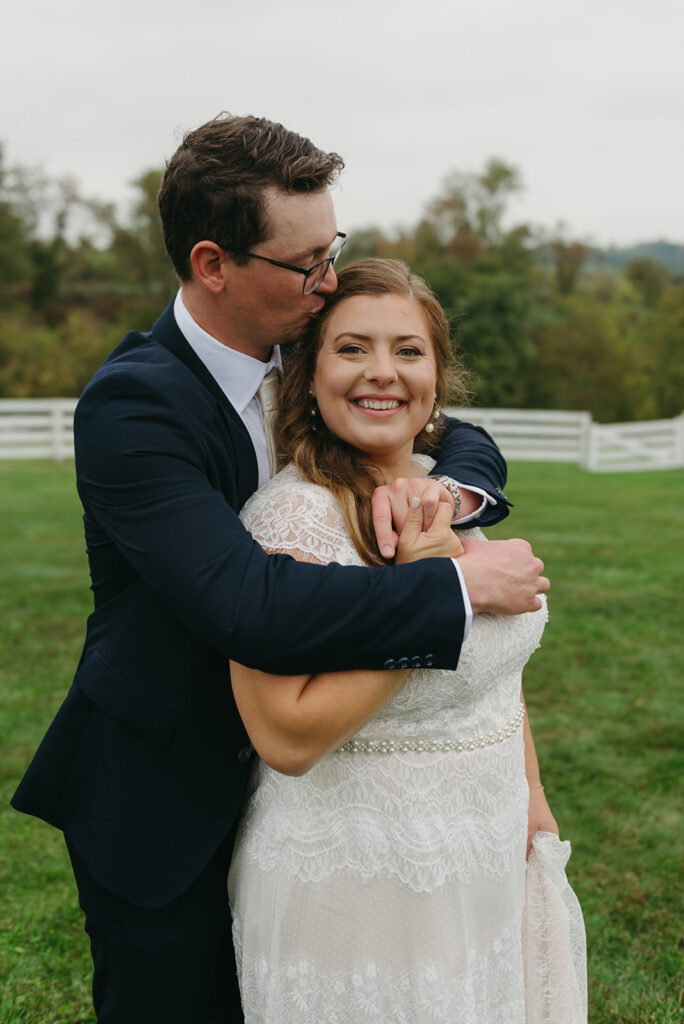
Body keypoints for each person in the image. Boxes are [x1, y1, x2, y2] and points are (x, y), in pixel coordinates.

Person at [11, 115, 548, 1024]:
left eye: (329, 250)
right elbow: (249, 603)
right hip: (166, 787)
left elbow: (452, 428)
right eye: (307, 265)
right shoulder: (136, 405)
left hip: (328, 799)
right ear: (214, 264)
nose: (329, 280)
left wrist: (448, 496)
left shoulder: (306, 342)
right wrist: (451, 587)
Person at [228, 258, 583, 1023]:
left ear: (437, 376)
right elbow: (285, 734)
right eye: (352, 348)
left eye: (408, 350)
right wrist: (432, 591)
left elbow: (496, 678)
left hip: (483, 851)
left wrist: (535, 807)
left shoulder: (444, 489)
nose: (382, 372)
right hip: (357, 882)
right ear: (310, 374)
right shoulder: (290, 522)